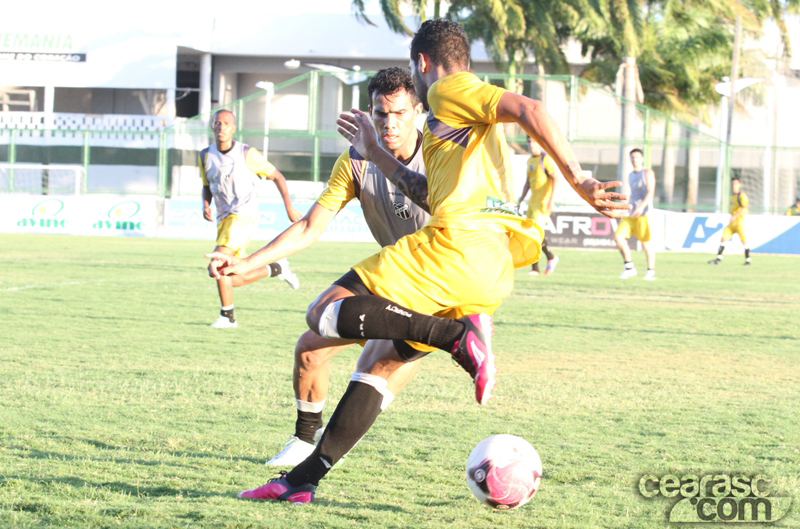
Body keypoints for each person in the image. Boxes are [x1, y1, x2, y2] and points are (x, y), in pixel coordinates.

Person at [223, 19, 629, 503]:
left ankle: (458, 338)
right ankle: (303, 480)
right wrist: (374, 153)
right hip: (487, 273)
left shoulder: (446, 91)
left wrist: (579, 178)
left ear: (421, 65)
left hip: (453, 251)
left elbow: (530, 108)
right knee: (374, 370)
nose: (390, 119)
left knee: (322, 313)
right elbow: (428, 193)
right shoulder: (454, 129)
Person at [208, 67, 431, 466]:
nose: (389, 123)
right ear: (369, 113)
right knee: (310, 347)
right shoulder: (355, 161)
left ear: (418, 111)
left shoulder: (439, 153)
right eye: (381, 114)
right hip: (393, 274)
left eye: (399, 113)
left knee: (373, 371)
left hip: (441, 284)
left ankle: (330, 452)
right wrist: (248, 262)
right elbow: (311, 227)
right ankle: (304, 441)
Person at [201, 109, 303, 328]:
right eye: (217, 123)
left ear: (233, 128)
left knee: (217, 264)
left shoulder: (247, 153)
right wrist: (205, 203)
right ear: (212, 126)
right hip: (224, 219)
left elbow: (277, 175)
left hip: (243, 216)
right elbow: (206, 185)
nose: (221, 127)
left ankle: (227, 317)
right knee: (231, 276)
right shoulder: (205, 155)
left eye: (226, 123)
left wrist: (289, 207)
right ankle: (274, 268)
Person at [517, 136, 559, 276]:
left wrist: (551, 201)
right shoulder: (530, 160)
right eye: (529, 142)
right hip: (532, 203)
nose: (531, 145)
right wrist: (520, 200)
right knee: (531, 234)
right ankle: (550, 258)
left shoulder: (545, 159)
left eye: (534, 142)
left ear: (540, 144)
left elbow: (555, 179)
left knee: (536, 234)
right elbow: (528, 183)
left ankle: (537, 267)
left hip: (542, 203)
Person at [615, 148, 656, 280]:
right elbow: (633, 195)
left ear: (642, 158)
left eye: (637, 157)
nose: (635, 159)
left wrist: (641, 207)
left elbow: (650, 192)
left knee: (645, 243)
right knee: (618, 237)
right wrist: (626, 208)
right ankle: (629, 267)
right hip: (631, 213)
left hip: (644, 213)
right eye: (633, 157)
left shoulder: (647, 173)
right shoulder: (631, 175)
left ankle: (650, 271)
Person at [708, 176, 750, 265]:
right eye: (733, 184)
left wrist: (735, 215)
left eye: (735, 184)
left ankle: (748, 260)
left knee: (744, 241)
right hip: (732, 223)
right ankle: (718, 259)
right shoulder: (732, 197)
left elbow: (744, 207)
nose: (733, 186)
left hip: (739, 223)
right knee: (723, 238)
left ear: (740, 185)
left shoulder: (742, 196)